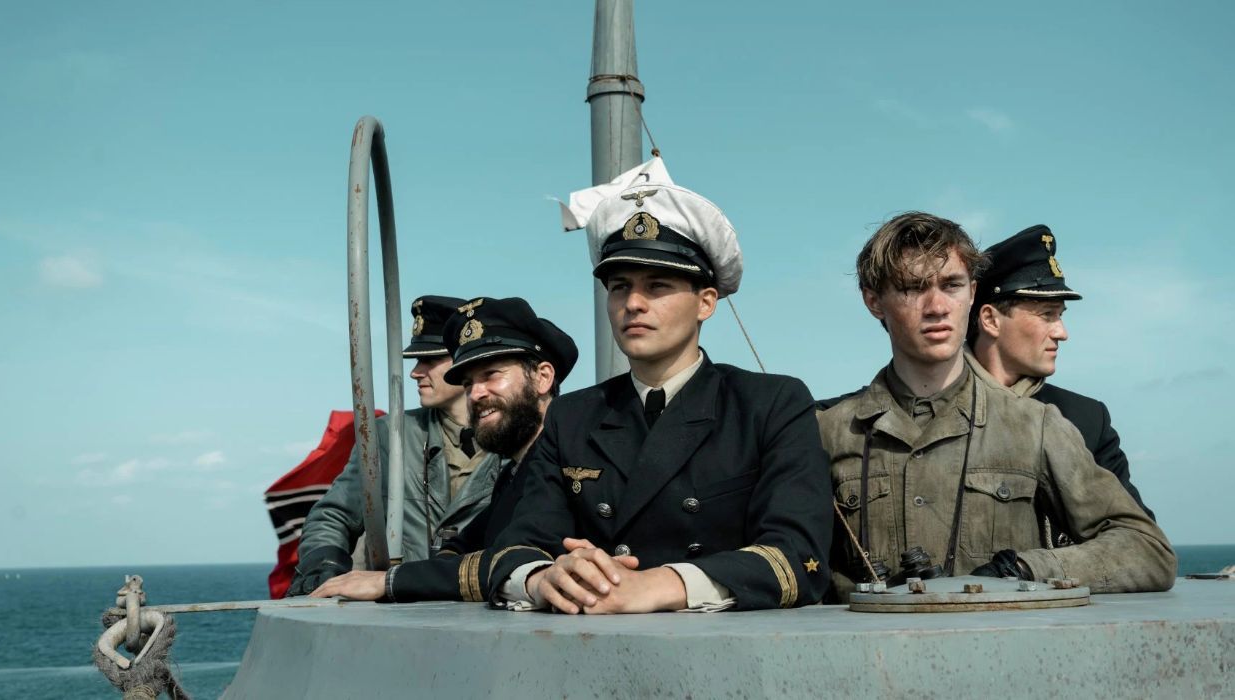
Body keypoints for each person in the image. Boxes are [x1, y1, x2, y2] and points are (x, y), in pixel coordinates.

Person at [486, 182, 833, 614]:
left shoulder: (769, 404)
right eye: (619, 287)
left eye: (657, 286)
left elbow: (800, 556)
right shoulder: (572, 417)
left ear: (706, 302)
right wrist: (542, 579)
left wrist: (660, 584)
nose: (633, 303)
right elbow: (513, 546)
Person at [817, 212, 1174, 600]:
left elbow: (1147, 550)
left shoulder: (1035, 426)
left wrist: (1022, 569)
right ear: (874, 301)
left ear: (972, 292)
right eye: (912, 288)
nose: (936, 306)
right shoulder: (828, 431)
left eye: (951, 285)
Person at [310, 296, 578, 602]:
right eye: (467, 382)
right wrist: (324, 569)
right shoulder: (512, 469)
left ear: (543, 377)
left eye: (491, 374)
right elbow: (466, 547)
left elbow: (509, 559)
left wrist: (392, 581)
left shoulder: (567, 456)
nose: (476, 393)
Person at [287, 296, 502, 596]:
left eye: (430, 360)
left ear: (464, 360)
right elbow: (332, 514)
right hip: (405, 618)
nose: (416, 372)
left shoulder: (517, 437)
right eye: (416, 361)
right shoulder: (391, 435)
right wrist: (324, 561)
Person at [968, 225, 1153, 521]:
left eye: (1060, 316)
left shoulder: (1087, 420)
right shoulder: (935, 408)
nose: (1062, 333)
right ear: (990, 319)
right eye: (1046, 315)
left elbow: (1137, 538)